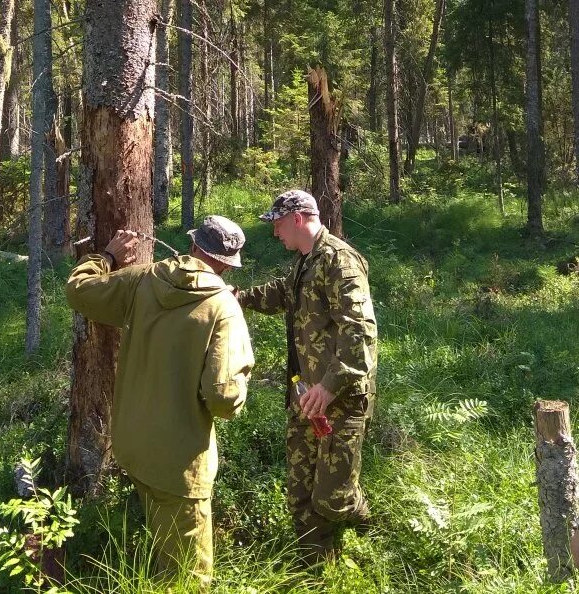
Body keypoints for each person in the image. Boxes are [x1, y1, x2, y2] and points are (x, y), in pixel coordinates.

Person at [65, 215, 254, 587]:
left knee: (161, 547)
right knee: (190, 578)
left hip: (133, 446)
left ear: (194, 244)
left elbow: (79, 289)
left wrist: (106, 256)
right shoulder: (223, 308)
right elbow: (224, 399)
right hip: (179, 463)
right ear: (228, 262)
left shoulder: (144, 278)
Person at [235, 189, 377, 564]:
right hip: (305, 397)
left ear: (298, 219)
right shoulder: (304, 261)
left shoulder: (339, 261)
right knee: (300, 496)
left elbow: (359, 331)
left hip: (340, 399)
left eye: (278, 224)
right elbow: (285, 293)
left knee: (333, 498)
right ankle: (317, 570)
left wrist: (330, 387)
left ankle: (370, 530)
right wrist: (241, 298)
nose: (275, 232)